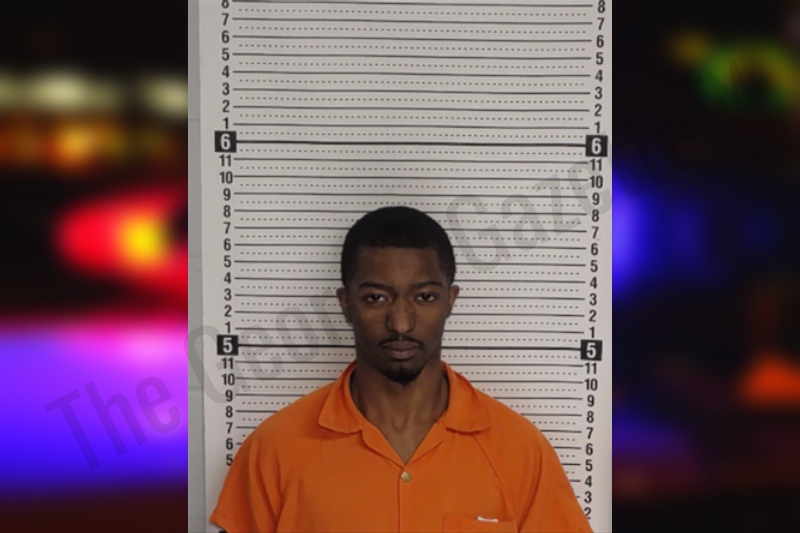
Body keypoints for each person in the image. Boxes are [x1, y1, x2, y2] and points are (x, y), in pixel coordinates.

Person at [210, 206, 592, 533]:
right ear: (345, 303)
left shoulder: (520, 451)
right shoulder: (274, 450)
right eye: (376, 298)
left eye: (424, 297)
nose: (401, 323)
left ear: (450, 300)